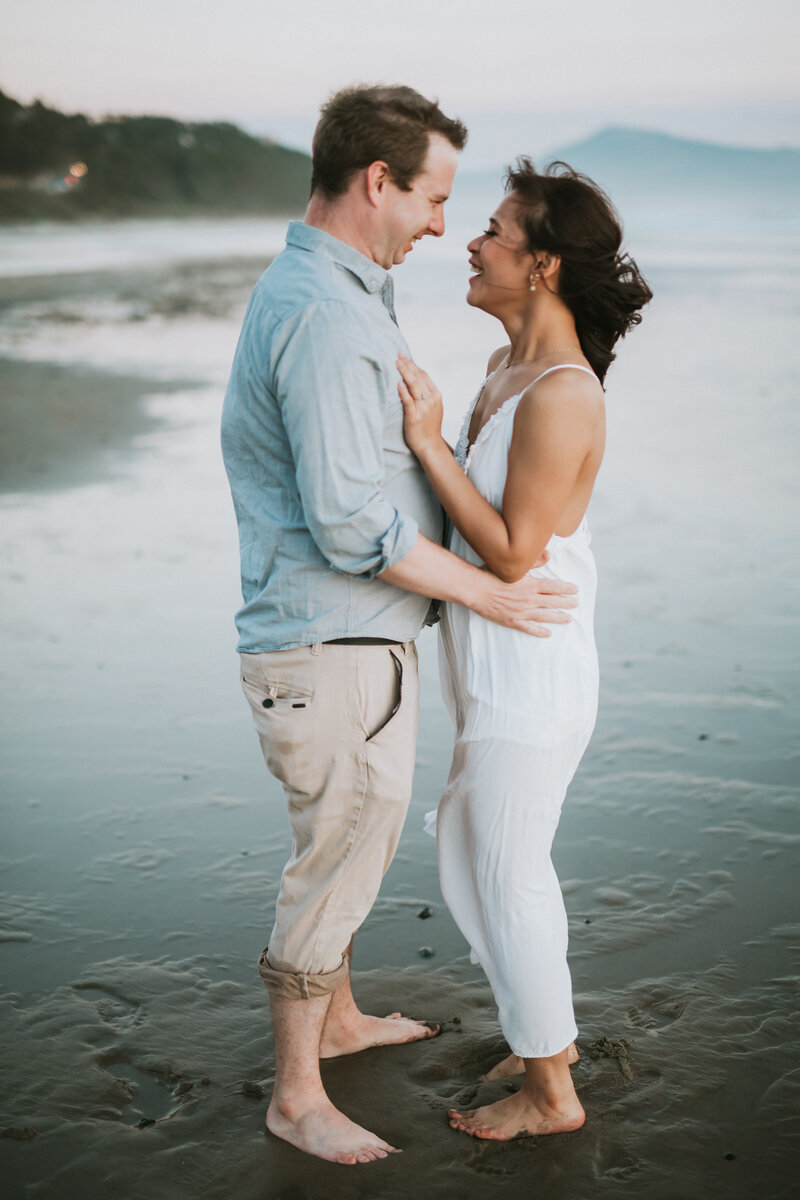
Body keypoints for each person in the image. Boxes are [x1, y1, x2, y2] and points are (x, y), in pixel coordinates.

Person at [221, 90, 579, 1167]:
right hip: (330, 647)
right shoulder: (328, 313)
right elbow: (345, 520)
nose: (439, 224)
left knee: (346, 843)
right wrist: (486, 594)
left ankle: (336, 1022)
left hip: (340, 644)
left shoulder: (338, 291)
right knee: (335, 866)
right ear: (377, 181)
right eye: (431, 197)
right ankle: (296, 1094)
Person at [397, 158, 652, 1141]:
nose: (470, 239)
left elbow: (508, 551)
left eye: (494, 230)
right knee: (469, 853)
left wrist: (424, 442)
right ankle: (537, 1031)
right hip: (492, 666)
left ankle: (551, 1094)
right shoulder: (507, 370)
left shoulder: (561, 391)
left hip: (532, 672)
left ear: (541, 265)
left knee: (502, 871)